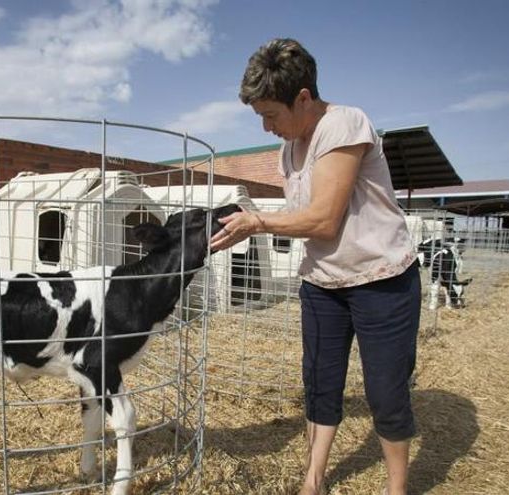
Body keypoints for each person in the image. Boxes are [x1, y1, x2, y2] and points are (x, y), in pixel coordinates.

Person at [210, 38, 421, 495]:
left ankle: (397, 488)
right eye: (261, 117)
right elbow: (308, 224)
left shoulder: (345, 124)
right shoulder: (290, 149)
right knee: (320, 385)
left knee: (385, 391)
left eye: (271, 115)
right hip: (323, 284)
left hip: (380, 280)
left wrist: (258, 223)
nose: (267, 128)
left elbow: (324, 220)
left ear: (303, 98)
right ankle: (313, 480)